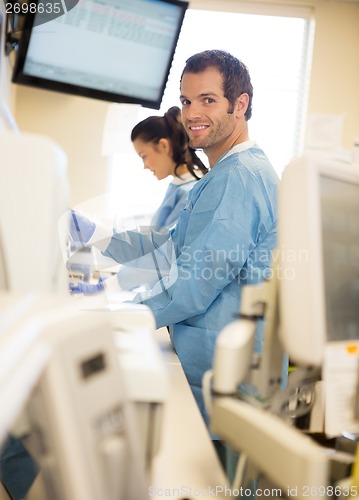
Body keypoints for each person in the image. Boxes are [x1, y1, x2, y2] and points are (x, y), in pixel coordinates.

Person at [70, 50, 279, 433]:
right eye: (186, 101)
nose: (192, 113)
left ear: (241, 104)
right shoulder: (226, 174)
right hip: (213, 365)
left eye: (208, 100)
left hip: (225, 377)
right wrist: (98, 237)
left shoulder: (240, 177)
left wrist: (117, 319)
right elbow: (170, 244)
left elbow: (193, 284)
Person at [69, 106, 208, 295]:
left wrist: (110, 285)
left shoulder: (190, 193)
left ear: (164, 146)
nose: (144, 166)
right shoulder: (178, 188)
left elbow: (163, 256)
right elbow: (152, 246)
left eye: (144, 156)